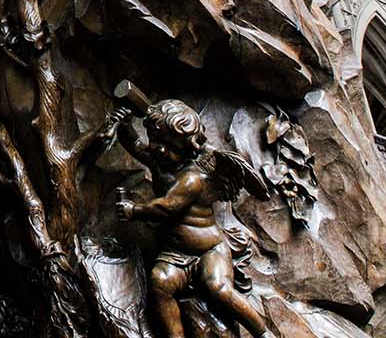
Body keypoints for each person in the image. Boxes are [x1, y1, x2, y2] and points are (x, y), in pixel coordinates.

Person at [110, 99, 271, 338]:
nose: (159, 149)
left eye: (170, 147)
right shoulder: (159, 160)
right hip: (175, 254)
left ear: (189, 149)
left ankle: (263, 332)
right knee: (160, 282)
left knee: (218, 287)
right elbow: (135, 145)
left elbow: (167, 207)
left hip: (209, 250)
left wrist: (135, 210)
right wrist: (123, 125)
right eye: (156, 141)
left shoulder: (191, 179)